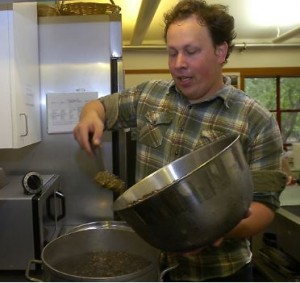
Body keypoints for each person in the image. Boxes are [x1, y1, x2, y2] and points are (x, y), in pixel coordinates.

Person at [73, 0, 284, 281]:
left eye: (191, 51)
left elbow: (264, 206)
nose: (179, 64)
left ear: (220, 51)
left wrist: (216, 229)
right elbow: (99, 106)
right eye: (172, 53)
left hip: (220, 273)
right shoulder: (149, 96)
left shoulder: (256, 120)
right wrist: (91, 117)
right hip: (153, 265)